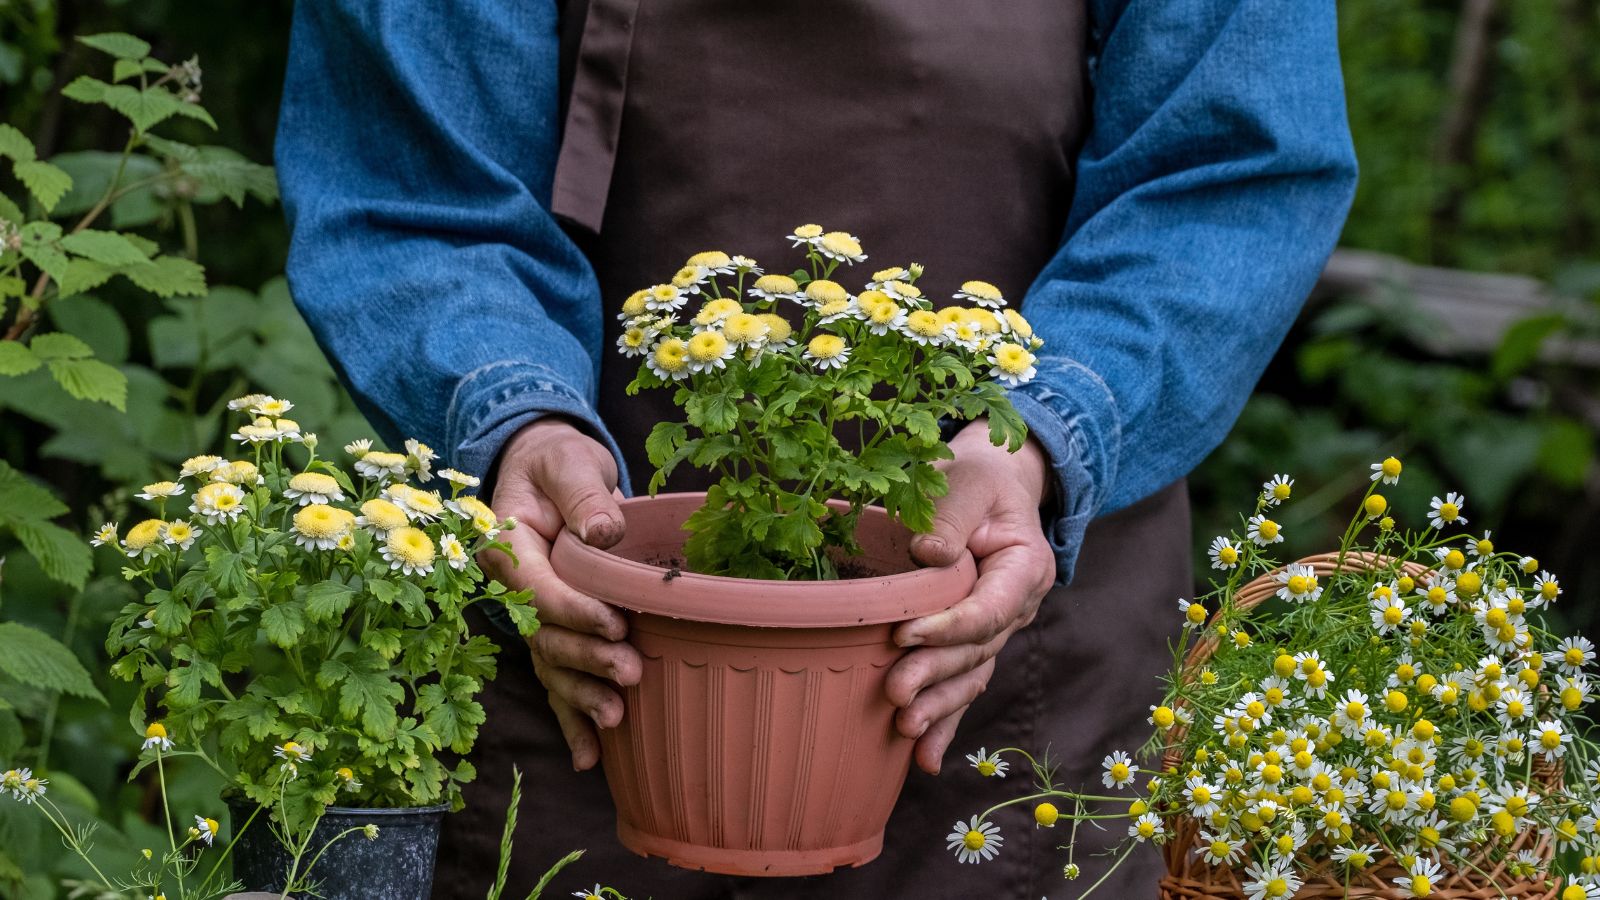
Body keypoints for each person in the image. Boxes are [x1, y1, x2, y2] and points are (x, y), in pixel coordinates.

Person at [276, 0, 1356, 895]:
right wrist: (516, 416)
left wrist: (1039, 431)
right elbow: (416, 186)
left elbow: (1227, 169)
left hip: (1008, 629)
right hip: (586, 619)